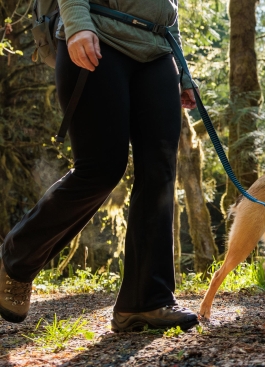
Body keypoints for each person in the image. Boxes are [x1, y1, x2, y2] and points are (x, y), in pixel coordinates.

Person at [0, 0, 200, 332]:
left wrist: (184, 71)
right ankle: (15, 260)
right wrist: (77, 23)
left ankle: (146, 300)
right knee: (101, 167)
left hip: (158, 49)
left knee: (160, 171)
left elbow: (169, 8)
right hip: (98, 32)